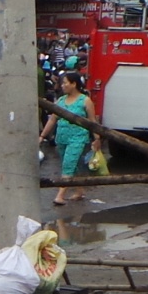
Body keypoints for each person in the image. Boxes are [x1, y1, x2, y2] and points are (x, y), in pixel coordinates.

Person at [40, 73, 94, 206]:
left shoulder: (85, 101)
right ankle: (79, 190)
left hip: (78, 138)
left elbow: (93, 121)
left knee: (68, 165)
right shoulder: (60, 101)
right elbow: (52, 119)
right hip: (62, 138)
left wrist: (97, 139)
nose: (62, 86)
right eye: (62, 83)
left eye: (65, 83)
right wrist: (42, 136)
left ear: (74, 84)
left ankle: (60, 195)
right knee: (72, 165)